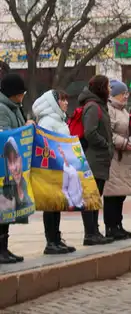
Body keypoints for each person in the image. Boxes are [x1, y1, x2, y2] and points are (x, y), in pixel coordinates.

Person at [31, 89, 79, 254]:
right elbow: (46, 145)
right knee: (51, 206)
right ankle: (51, 241)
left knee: (57, 204)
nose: (66, 103)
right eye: (62, 100)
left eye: (66, 100)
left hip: (61, 169)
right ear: (53, 103)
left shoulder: (59, 120)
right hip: (51, 169)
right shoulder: (47, 121)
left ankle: (57, 239)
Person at [78, 76, 115, 245]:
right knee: (91, 197)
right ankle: (90, 233)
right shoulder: (93, 107)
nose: (110, 89)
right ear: (101, 87)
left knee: (95, 197)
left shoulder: (100, 105)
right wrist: (106, 145)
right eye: (108, 86)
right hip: (94, 158)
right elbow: (90, 132)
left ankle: (94, 231)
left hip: (100, 159)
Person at [0, 73, 30, 263]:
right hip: (4, 168)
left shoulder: (15, 107)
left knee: (9, 211)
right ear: (13, 93)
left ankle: (5, 248)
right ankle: (1, 250)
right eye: (21, 92)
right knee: (3, 210)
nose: (23, 96)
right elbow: (4, 136)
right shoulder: (3, 109)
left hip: (13, 168)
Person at [105, 80, 131, 241]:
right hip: (115, 157)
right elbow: (108, 133)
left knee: (121, 194)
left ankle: (118, 225)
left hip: (125, 158)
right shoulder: (109, 109)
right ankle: (111, 227)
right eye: (122, 93)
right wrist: (124, 143)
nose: (125, 96)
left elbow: (126, 129)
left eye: (126, 93)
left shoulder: (124, 110)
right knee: (113, 194)